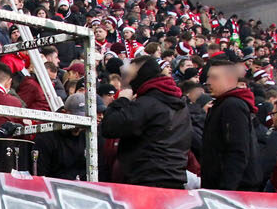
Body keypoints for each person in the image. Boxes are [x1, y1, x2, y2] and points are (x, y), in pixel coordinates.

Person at [98, 54, 190, 189]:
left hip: (147, 181)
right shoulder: (180, 105)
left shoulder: (147, 104)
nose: (124, 80)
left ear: (140, 76)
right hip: (174, 180)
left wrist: (122, 100)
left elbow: (109, 127)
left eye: (128, 75)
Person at [198, 49, 257, 191]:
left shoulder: (233, 105)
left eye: (214, 78)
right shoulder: (222, 103)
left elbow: (237, 150)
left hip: (232, 190)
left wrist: (226, 190)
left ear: (230, 80)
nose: (208, 82)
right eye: (208, 78)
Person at [33, 93, 91, 181]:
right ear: (64, 113)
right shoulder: (47, 137)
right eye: (77, 117)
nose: (80, 123)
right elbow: (41, 173)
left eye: (84, 119)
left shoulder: (89, 135)